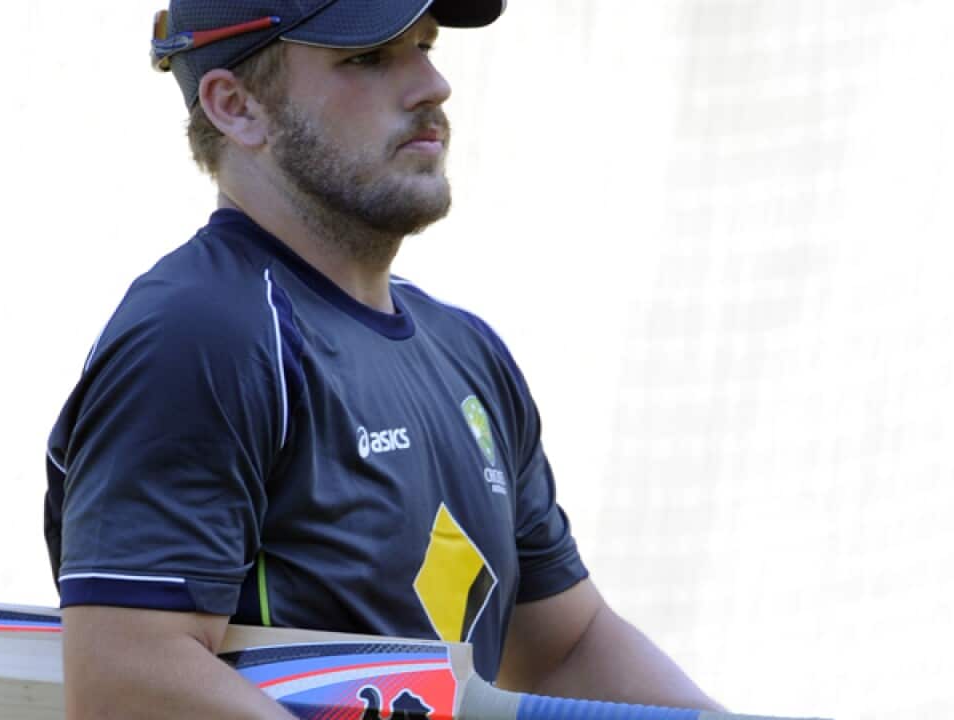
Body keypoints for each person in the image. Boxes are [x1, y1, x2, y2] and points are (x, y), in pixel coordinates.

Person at [44, 1, 726, 717]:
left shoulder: (467, 351)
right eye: (367, 58)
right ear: (237, 106)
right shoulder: (203, 332)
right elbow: (125, 679)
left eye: (425, 45)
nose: (432, 85)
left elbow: (564, 646)